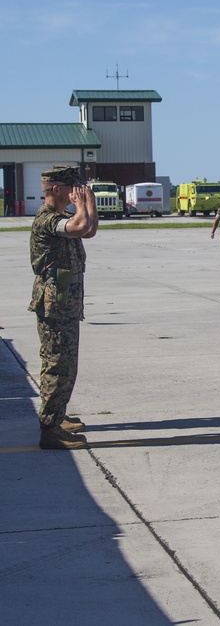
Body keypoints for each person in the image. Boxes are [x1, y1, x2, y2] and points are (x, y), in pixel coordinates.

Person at [28, 166, 98, 450]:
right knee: (58, 365)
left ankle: (57, 415)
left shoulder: (62, 216)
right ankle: (50, 429)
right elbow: (80, 226)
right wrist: (84, 204)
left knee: (66, 363)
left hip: (64, 301)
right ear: (56, 189)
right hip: (54, 304)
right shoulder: (47, 219)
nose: (76, 192)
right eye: (72, 187)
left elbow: (88, 230)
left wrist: (89, 203)